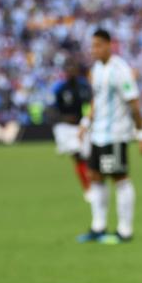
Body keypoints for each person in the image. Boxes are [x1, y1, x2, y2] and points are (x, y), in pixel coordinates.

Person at [77, 29, 142, 244]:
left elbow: (134, 104)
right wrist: (85, 122)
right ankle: (98, 227)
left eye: (98, 45)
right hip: (98, 134)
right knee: (95, 177)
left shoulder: (121, 70)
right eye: (92, 46)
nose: (94, 50)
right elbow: (96, 99)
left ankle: (124, 231)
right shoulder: (97, 69)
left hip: (116, 134)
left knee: (119, 178)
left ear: (110, 45)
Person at [50, 60, 93, 201]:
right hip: (67, 128)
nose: (70, 72)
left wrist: (87, 120)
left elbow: (91, 105)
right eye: (68, 69)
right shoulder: (60, 89)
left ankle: (91, 186)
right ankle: (87, 189)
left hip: (83, 126)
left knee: (88, 158)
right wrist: (63, 118)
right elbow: (53, 110)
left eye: (73, 68)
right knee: (78, 156)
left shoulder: (84, 86)